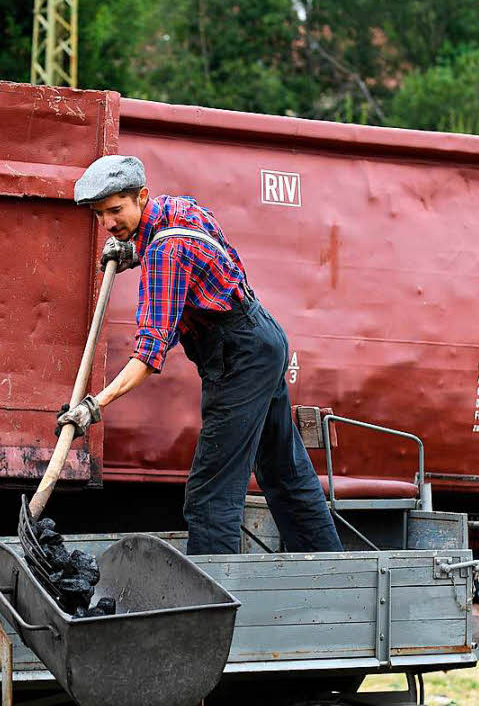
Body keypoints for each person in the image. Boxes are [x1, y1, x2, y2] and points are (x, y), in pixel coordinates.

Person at [56, 155, 343, 555]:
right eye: (100, 214)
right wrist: (133, 251)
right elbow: (209, 254)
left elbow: (149, 355)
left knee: (211, 493)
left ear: (141, 197)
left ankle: (213, 605)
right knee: (284, 471)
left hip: (238, 358)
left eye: (116, 210)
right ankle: (329, 573)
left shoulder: (164, 254)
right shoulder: (177, 209)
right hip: (262, 337)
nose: (108, 224)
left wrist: (93, 406)